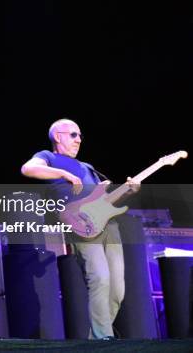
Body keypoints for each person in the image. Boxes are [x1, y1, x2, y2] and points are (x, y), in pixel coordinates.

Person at [21, 119, 136, 340]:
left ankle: (97, 338)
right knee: (100, 278)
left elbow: (104, 200)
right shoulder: (48, 157)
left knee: (117, 290)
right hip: (82, 225)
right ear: (58, 136)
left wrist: (128, 190)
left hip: (109, 226)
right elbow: (28, 169)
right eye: (74, 135)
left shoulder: (88, 168)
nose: (79, 140)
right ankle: (104, 338)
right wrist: (64, 174)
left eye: (81, 136)